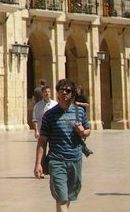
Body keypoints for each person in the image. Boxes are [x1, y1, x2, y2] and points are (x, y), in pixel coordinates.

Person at [34, 78, 91, 212]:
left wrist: (83, 131)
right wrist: (38, 163)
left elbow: (88, 130)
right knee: (61, 197)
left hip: (75, 160)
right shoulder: (50, 115)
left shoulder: (79, 112)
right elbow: (42, 140)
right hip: (56, 160)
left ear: (72, 94)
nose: (64, 93)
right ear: (58, 92)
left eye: (68, 90)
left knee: (69, 196)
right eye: (62, 90)